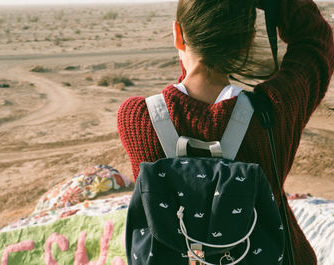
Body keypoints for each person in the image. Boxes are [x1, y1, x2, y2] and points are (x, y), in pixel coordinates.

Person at [117, 0, 334, 264]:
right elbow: (315, 44)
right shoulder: (274, 112)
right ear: (248, 41)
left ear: (177, 34)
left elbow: (183, 112)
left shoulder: (138, 118)